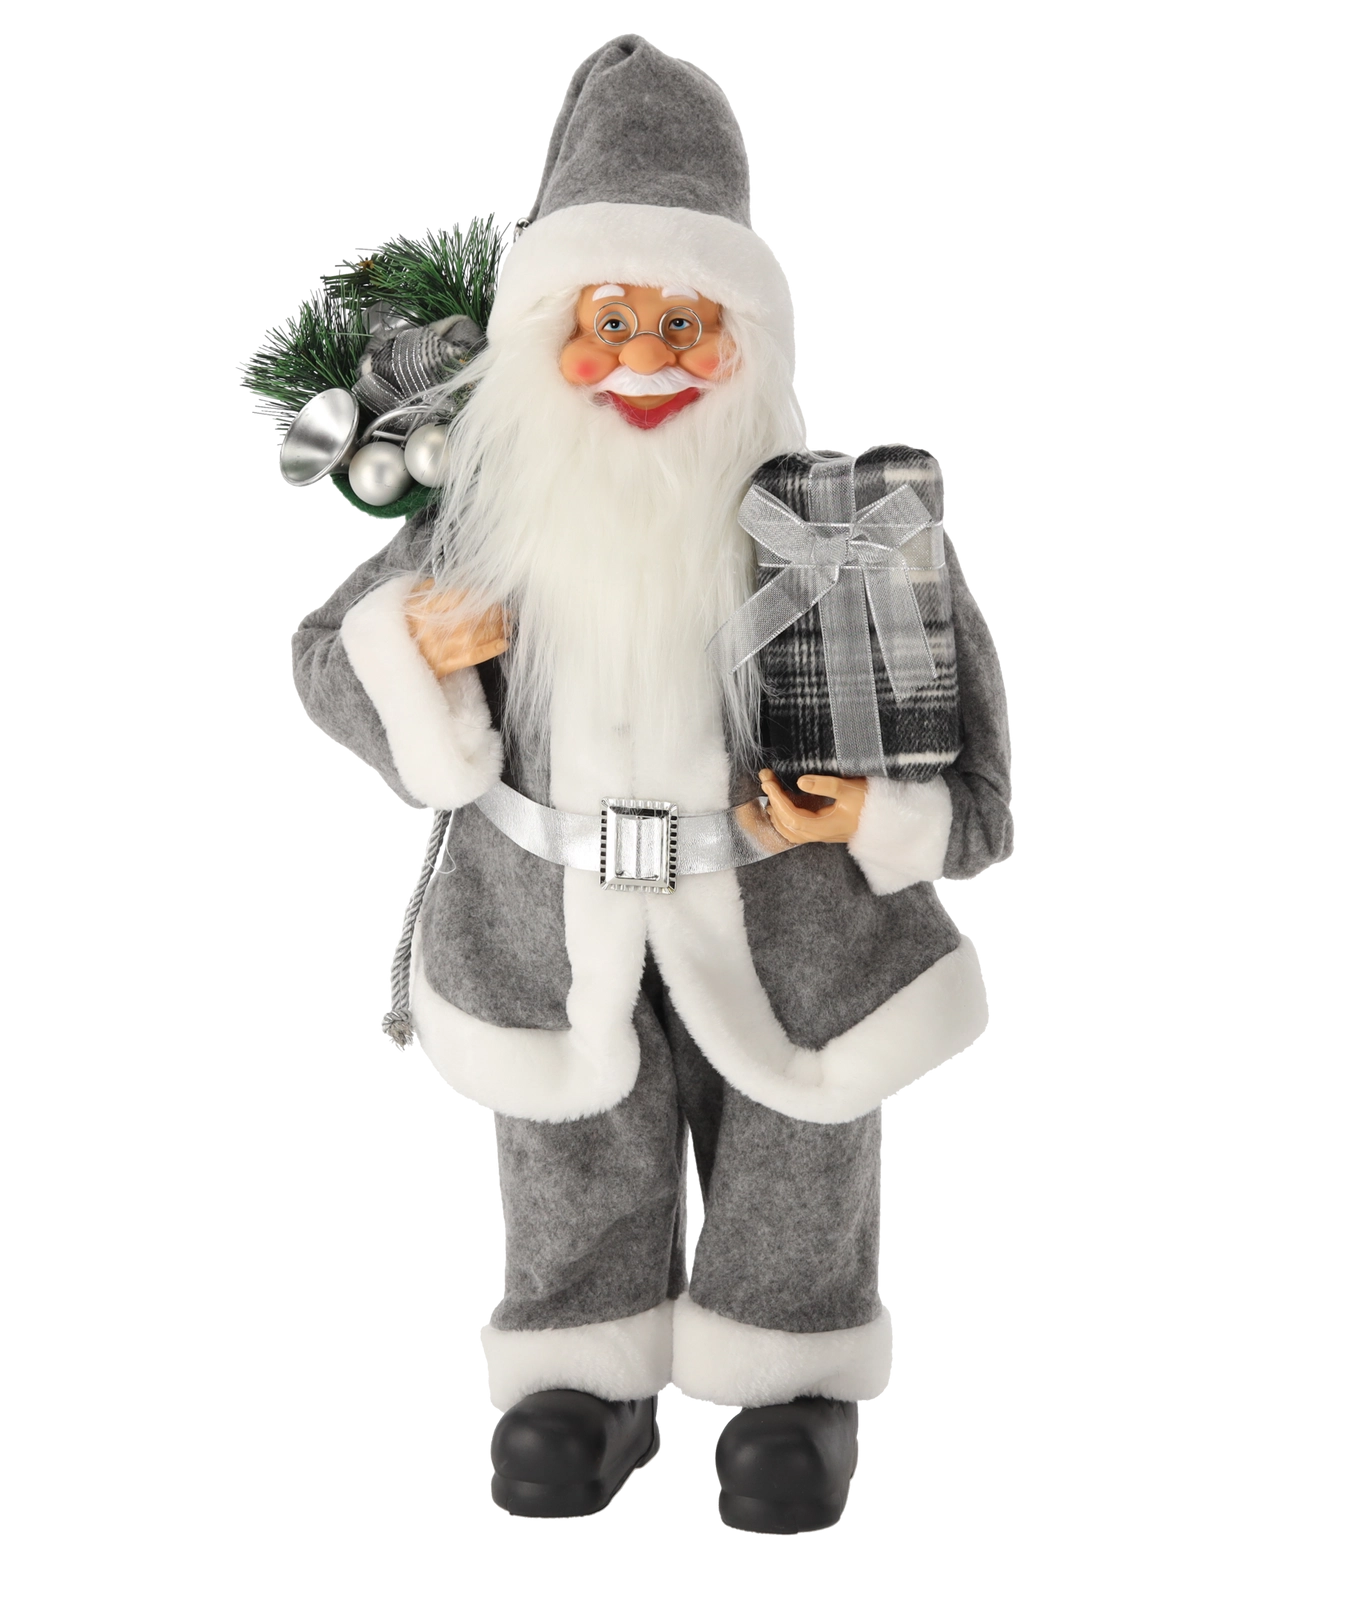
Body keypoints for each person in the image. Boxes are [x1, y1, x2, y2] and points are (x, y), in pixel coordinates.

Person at [289, 35, 1013, 1535]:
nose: (643, 358)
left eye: (686, 323)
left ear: (749, 338)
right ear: (546, 332)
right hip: (548, 928)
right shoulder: (480, 531)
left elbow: (977, 772)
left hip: (793, 925)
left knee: (800, 1154)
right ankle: (580, 1377)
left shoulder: (847, 531)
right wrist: (415, 646)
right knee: (573, 1155)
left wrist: (879, 816)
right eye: (608, 320)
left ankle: (791, 1385)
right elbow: (323, 661)